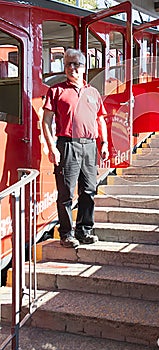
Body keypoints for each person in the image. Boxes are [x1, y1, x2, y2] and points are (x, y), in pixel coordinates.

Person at [42, 48, 109, 248]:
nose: (72, 68)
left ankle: (84, 231)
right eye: (68, 64)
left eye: (76, 64)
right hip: (67, 145)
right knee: (66, 194)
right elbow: (45, 121)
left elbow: (100, 120)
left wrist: (104, 143)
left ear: (84, 68)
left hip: (89, 146)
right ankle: (66, 234)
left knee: (89, 190)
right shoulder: (56, 91)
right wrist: (52, 147)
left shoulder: (93, 92)